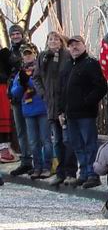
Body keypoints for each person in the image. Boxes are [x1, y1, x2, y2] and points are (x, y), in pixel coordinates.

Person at [64, 36, 107, 188]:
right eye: (71, 45)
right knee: (77, 145)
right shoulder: (69, 65)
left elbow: (101, 87)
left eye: (77, 44)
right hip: (71, 114)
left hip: (86, 114)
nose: (74, 47)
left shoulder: (91, 63)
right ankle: (83, 173)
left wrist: (87, 102)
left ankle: (92, 175)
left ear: (84, 45)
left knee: (89, 145)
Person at [34, 31, 77, 184]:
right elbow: (36, 77)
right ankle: (60, 172)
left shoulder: (66, 55)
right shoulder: (42, 57)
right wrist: (43, 94)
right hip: (50, 105)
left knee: (67, 140)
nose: (53, 41)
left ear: (61, 41)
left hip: (64, 104)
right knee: (57, 141)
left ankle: (71, 171)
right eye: (50, 39)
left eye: (56, 39)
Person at [9, 47, 53, 178]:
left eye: (30, 54)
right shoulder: (21, 73)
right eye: (25, 55)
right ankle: (37, 167)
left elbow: (42, 86)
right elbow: (14, 92)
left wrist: (27, 82)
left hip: (42, 108)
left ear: (35, 54)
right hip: (28, 110)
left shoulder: (42, 69)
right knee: (33, 141)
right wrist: (22, 84)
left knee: (46, 140)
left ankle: (47, 166)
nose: (28, 57)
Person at [7, 24, 33, 176]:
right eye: (13, 34)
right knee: (21, 131)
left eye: (18, 33)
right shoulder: (9, 51)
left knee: (34, 130)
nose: (16, 36)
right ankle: (25, 161)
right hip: (15, 95)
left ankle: (39, 161)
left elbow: (30, 67)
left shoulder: (29, 47)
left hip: (30, 94)